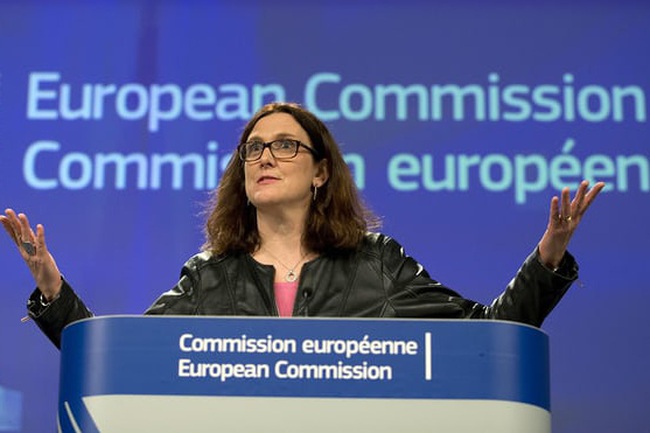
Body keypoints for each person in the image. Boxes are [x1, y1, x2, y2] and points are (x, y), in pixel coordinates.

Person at [1, 102, 605, 349]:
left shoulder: (378, 263)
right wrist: (54, 292)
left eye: (285, 145)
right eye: (253, 149)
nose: (263, 157)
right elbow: (124, 358)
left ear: (320, 172)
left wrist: (547, 258)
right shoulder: (210, 277)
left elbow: (491, 338)